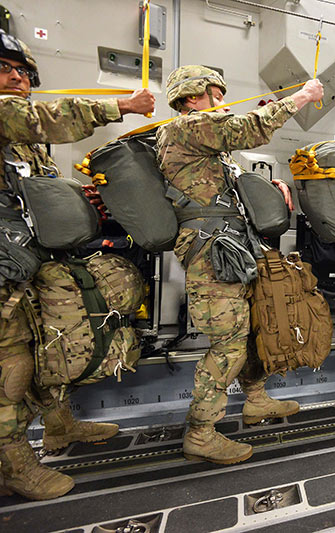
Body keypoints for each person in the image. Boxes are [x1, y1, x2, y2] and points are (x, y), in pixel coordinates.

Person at [0, 30, 155, 500]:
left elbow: (35, 192)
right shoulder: (10, 114)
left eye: (23, 73)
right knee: (11, 370)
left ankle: (59, 427)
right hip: (6, 268)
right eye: (5, 69)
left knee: (50, 343)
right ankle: (14, 465)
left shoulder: (20, 143)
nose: (16, 78)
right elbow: (50, 117)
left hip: (26, 259)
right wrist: (122, 107)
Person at [156, 65, 323, 464]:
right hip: (212, 252)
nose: (222, 100)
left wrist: (270, 188)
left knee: (252, 330)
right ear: (196, 96)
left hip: (231, 247)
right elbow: (250, 128)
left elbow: (220, 187)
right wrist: (301, 96)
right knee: (228, 343)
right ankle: (201, 432)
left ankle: (256, 399)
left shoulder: (202, 142)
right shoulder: (187, 127)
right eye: (217, 92)